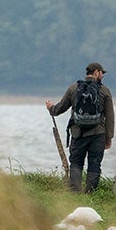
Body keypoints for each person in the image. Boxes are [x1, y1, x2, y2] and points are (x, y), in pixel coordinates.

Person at [46, 63, 111, 193]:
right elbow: (110, 117)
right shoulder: (105, 91)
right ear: (97, 72)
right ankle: (90, 193)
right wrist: (109, 138)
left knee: (76, 163)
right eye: (102, 73)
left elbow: (60, 108)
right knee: (94, 163)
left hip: (77, 133)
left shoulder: (74, 88)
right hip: (98, 134)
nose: (103, 75)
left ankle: (75, 192)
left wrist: (51, 108)